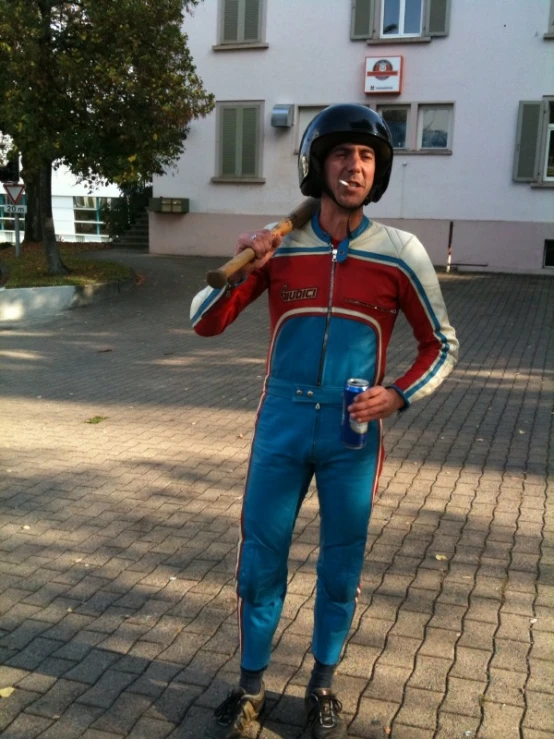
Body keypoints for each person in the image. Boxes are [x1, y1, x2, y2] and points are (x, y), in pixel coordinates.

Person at [190, 104, 459, 739]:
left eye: (366, 156)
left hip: (351, 436)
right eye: (342, 154)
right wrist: (246, 268)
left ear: (378, 171)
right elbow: (203, 321)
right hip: (281, 425)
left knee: (341, 566)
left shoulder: (401, 253)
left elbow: (441, 344)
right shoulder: (279, 247)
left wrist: (398, 394)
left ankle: (322, 686)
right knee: (260, 561)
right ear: (319, 165)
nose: (354, 166)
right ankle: (251, 687)